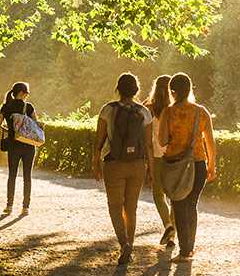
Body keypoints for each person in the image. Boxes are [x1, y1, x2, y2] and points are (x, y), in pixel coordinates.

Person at [92, 72, 154, 266]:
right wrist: (151, 168)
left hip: (113, 163)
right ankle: (131, 244)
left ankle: (124, 243)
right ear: (136, 90)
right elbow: (148, 144)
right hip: (137, 164)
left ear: (117, 89)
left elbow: (99, 140)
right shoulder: (144, 112)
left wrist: (96, 162)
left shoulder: (107, 110)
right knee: (131, 207)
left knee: (115, 206)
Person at [156, 73, 216, 263]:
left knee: (179, 206)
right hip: (198, 164)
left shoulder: (168, 112)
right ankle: (189, 248)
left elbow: (162, 140)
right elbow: (210, 142)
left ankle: (184, 252)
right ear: (190, 89)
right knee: (192, 206)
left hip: (176, 166)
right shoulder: (201, 112)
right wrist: (212, 165)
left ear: (172, 92)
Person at [0, 81, 37, 215]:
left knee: (12, 175)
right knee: (27, 176)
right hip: (29, 146)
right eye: (26, 93)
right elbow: (35, 125)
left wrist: (10, 130)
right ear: (21, 93)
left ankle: (9, 206)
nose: (26, 96)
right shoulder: (29, 107)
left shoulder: (6, 106)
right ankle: (26, 207)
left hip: (13, 146)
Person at [146, 74, 175, 249]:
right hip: (173, 156)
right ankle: (172, 235)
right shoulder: (175, 109)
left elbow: (146, 139)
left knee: (158, 195)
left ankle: (167, 225)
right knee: (175, 197)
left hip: (156, 157)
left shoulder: (148, 109)